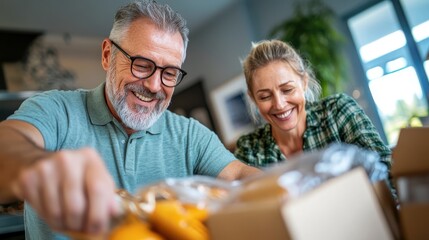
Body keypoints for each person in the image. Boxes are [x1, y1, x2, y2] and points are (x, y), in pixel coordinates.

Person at [0, 1, 260, 239]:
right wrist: (39, 166)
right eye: (142, 65)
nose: (154, 85)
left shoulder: (190, 135)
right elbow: (8, 145)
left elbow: (237, 174)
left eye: (169, 73)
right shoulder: (57, 110)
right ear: (106, 56)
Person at [234, 39, 391, 170]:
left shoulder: (338, 112)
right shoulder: (250, 150)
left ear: (304, 82)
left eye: (287, 90)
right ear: (253, 98)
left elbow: (384, 168)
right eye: (265, 96)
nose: (280, 105)